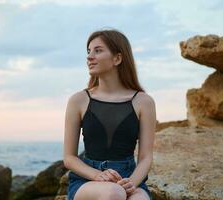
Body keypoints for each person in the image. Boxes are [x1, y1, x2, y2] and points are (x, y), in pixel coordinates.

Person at [63, 29, 156, 200]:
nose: (90, 57)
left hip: (128, 176)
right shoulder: (78, 100)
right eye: (89, 51)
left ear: (117, 58)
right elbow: (69, 158)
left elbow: (145, 157)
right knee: (113, 193)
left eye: (98, 51)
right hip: (87, 180)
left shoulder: (144, 102)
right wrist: (97, 175)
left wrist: (132, 183)